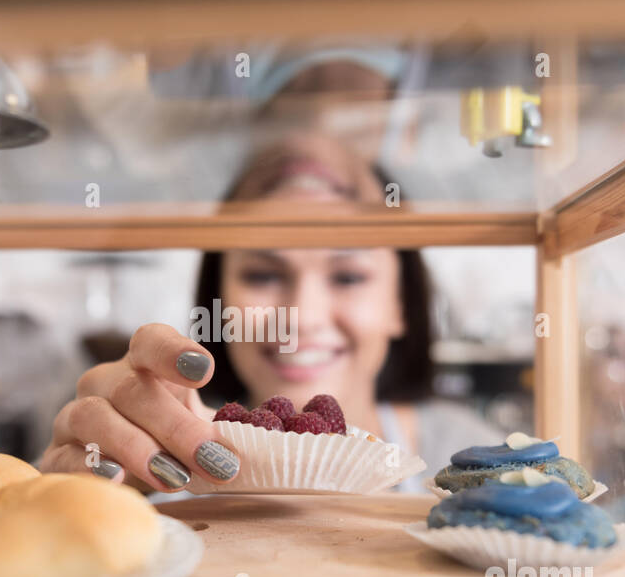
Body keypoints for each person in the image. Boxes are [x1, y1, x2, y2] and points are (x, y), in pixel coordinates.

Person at [39, 133, 501, 493]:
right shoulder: (166, 454)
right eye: (262, 275)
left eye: (348, 277)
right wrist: (70, 492)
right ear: (217, 295)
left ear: (401, 303)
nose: (300, 317)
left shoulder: (468, 458)